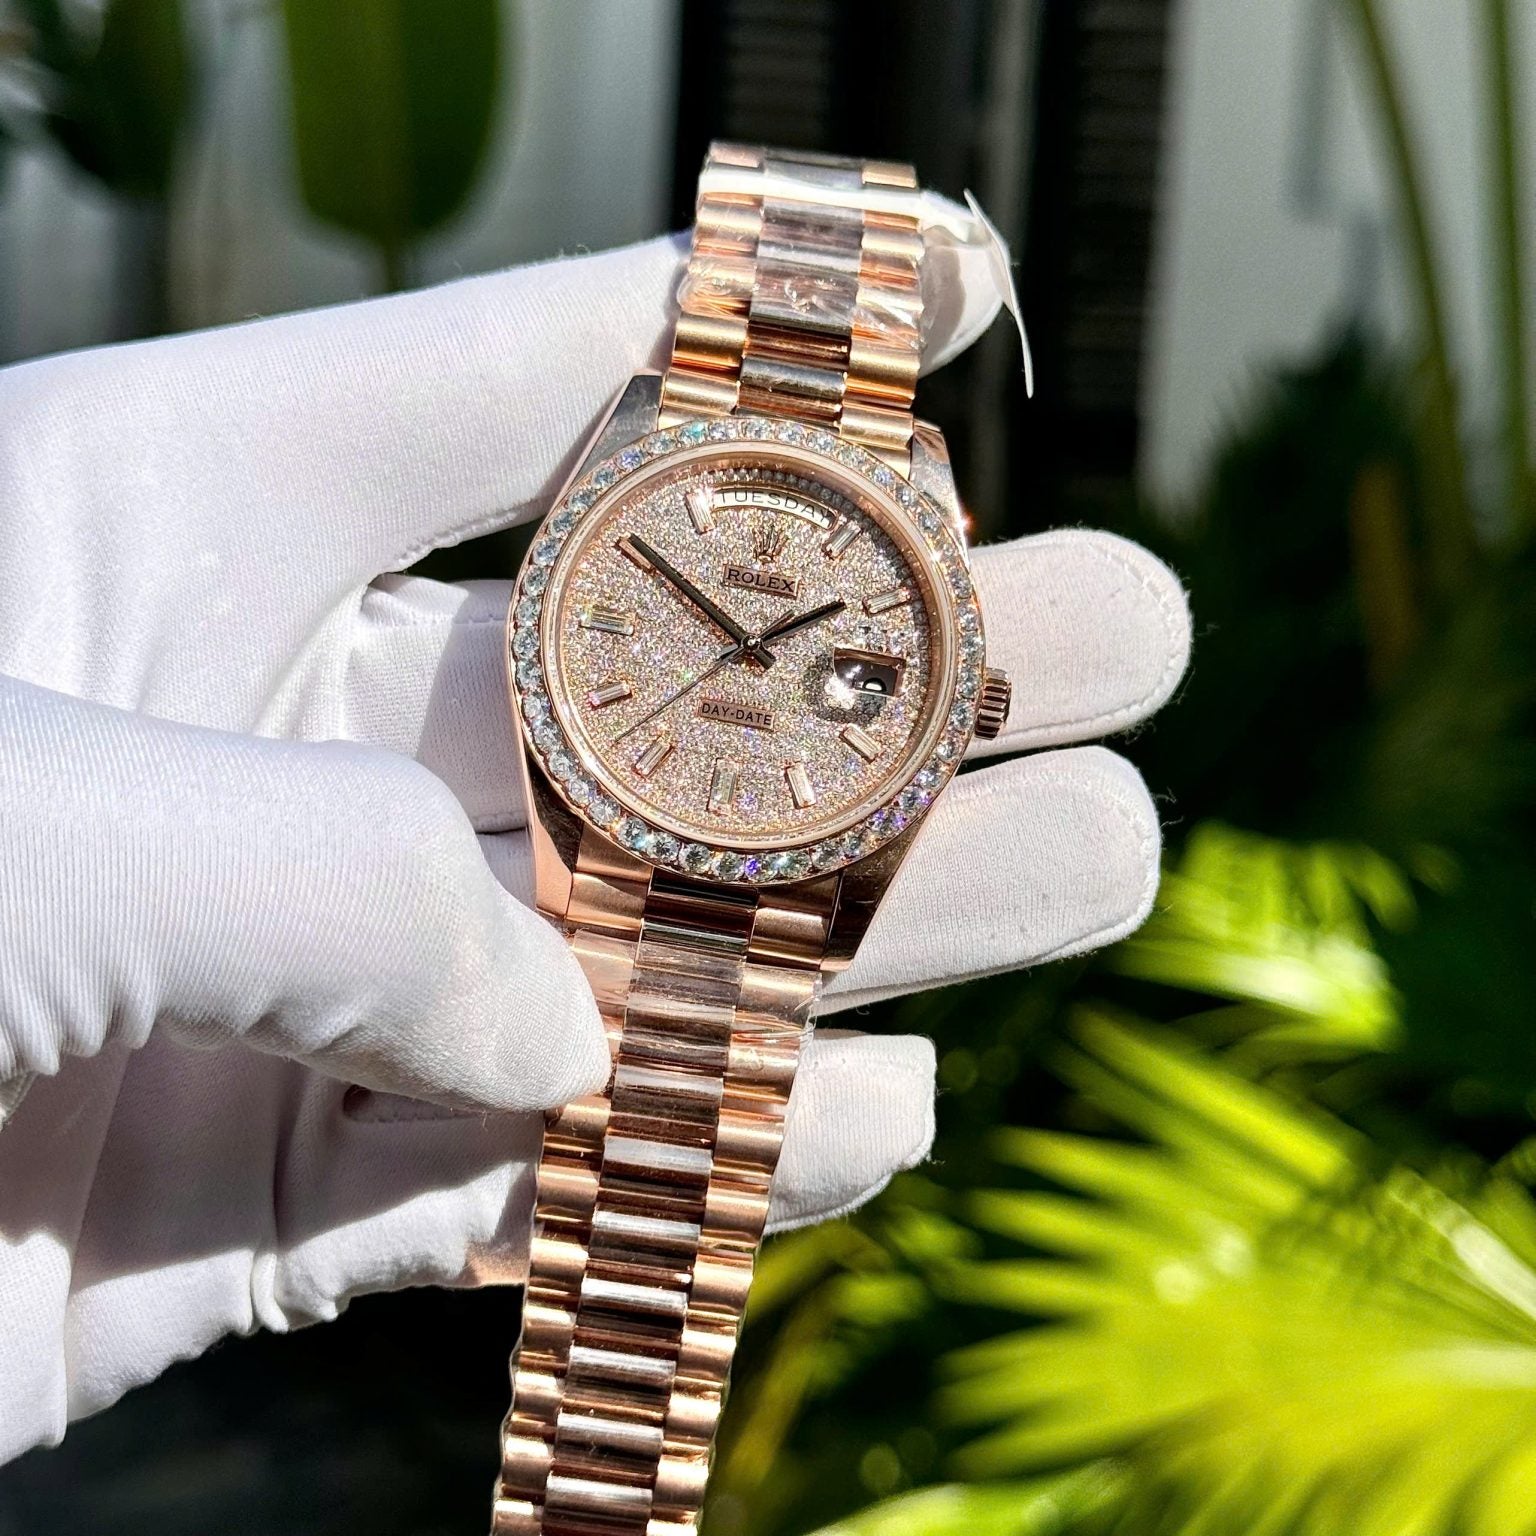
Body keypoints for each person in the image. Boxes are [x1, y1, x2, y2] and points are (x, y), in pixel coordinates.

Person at [0, 229, 1190, 1462]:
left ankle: (603, 1472)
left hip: (753, 817)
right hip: (617, 789)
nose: (749, 659)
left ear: (962, 700)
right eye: (731, 637)